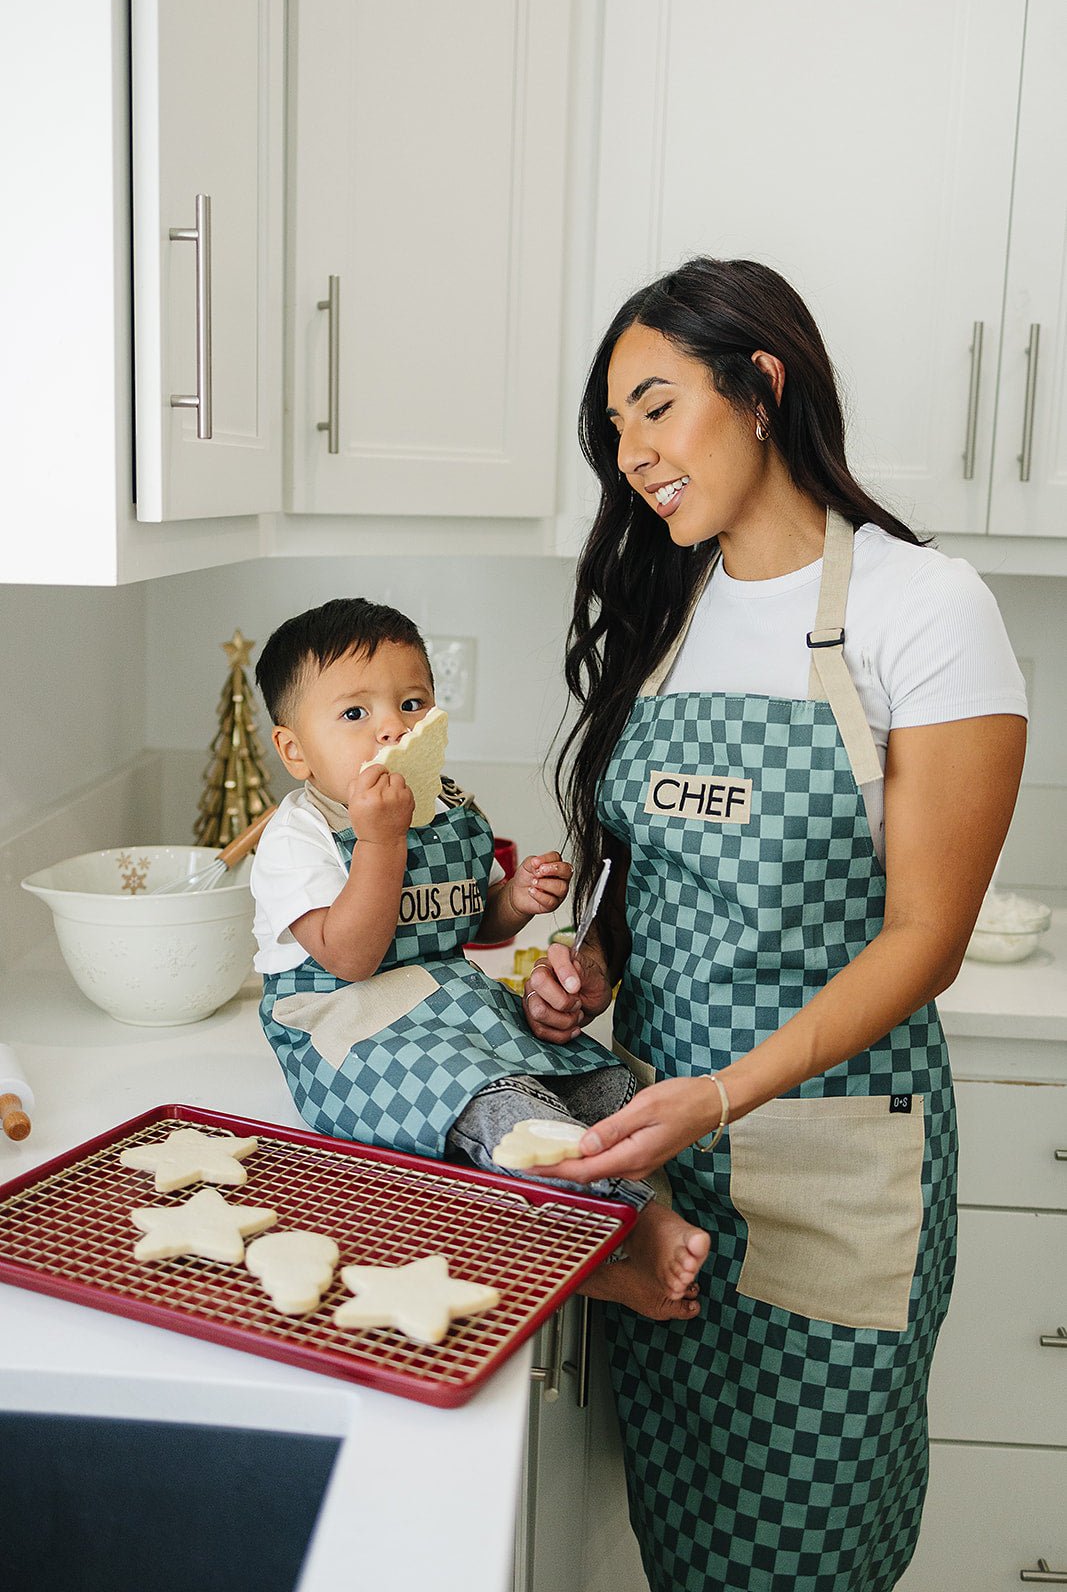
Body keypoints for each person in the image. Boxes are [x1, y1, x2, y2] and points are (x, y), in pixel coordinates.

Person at [521, 258, 1028, 1592]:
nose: (629, 457)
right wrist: (590, 967)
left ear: (758, 390)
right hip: (665, 1161)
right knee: (685, 1541)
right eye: (610, 432)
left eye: (653, 409)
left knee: (806, 1550)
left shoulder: (922, 610)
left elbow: (926, 937)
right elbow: (660, 867)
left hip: (831, 1170)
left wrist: (722, 1094)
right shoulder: (666, 608)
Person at [249, 597, 710, 1320]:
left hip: (449, 1004)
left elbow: (470, 921)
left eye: (410, 703)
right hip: (346, 1030)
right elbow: (350, 958)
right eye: (354, 714)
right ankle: (624, 1246)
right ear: (295, 751)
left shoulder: (450, 804)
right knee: (505, 1114)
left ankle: (617, 1226)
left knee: (604, 1086)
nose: (393, 728)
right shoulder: (299, 837)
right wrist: (380, 843)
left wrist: (517, 899)